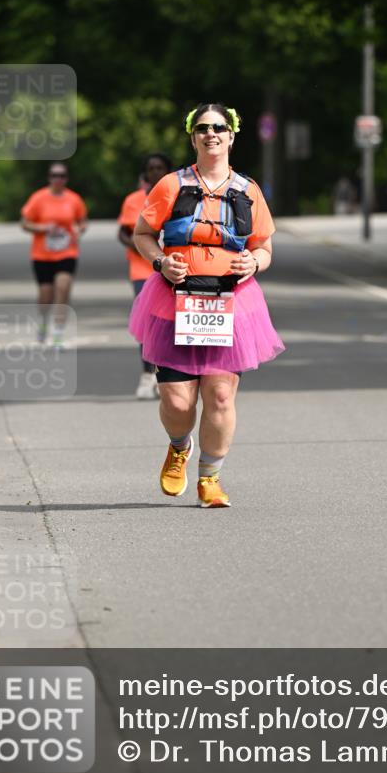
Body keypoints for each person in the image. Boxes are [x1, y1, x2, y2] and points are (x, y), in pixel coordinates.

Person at [130, 103, 284, 508]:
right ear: (192, 136)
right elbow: (142, 234)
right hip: (173, 303)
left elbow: (264, 247)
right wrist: (161, 261)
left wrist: (255, 262)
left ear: (232, 136)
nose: (211, 134)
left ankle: (210, 478)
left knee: (219, 396)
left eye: (219, 127)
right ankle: (180, 445)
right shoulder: (170, 185)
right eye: (202, 128)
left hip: (231, 304)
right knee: (178, 402)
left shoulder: (248, 191)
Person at [118, 153, 172, 399]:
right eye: (151, 168)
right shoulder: (133, 200)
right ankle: (147, 373)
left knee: (169, 323)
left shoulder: (180, 194)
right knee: (147, 320)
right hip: (142, 268)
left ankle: (166, 374)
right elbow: (123, 233)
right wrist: (140, 245)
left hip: (174, 267)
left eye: (160, 167)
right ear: (145, 173)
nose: (156, 172)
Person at [21, 163, 87, 346]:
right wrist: (43, 228)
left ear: (66, 178)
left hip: (67, 252)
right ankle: (43, 323)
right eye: (54, 175)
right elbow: (25, 223)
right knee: (46, 295)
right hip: (42, 255)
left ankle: (58, 333)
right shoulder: (38, 198)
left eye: (62, 175)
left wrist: (79, 230)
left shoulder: (74, 199)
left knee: (63, 288)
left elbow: (82, 221)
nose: (58, 179)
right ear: (49, 177)